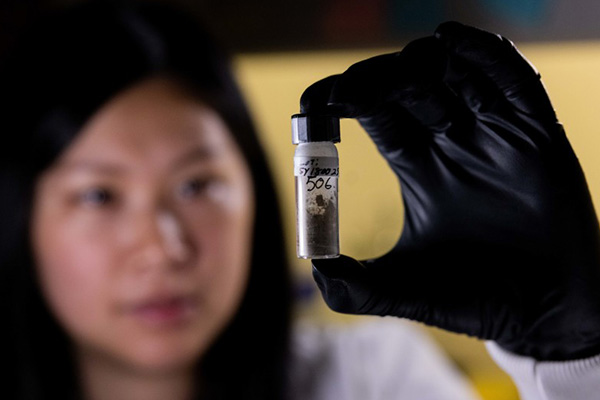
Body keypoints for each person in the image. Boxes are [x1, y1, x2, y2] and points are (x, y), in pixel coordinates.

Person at [0, 2, 598, 400]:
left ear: (254, 188)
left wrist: (569, 361)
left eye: (196, 185)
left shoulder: (369, 379)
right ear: (20, 215)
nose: (164, 248)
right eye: (99, 195)